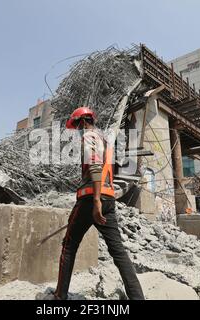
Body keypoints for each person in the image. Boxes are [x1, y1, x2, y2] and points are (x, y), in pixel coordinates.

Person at [40, 107, 144, 300]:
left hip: (90, 200)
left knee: (69, 246)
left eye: (77, 126)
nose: (78, 130)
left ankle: (60, 296)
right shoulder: (105, 140)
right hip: (109, 200)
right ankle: (138, 298)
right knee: (118, 252)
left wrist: (95, 201)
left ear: (82, 122)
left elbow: (95, 166)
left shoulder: (89, 136)